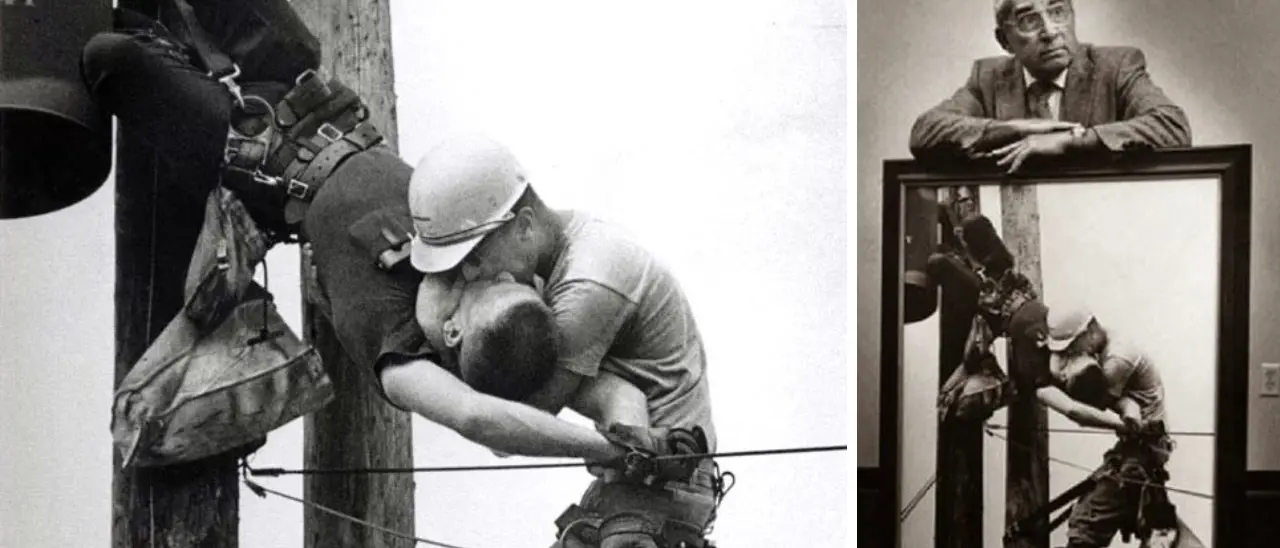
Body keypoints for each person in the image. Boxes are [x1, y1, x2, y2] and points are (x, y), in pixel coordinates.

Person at [81, 1, 658, 466]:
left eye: (487, 287)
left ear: (454, 331)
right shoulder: (470, 269)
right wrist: (637, 441)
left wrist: (595, 450)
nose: (491, 270)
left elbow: (480, 420)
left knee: (109, 55)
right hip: (310, 91)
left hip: (255, 154)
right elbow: (611, 391)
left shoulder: (402, 352)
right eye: (513, 277)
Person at [402, 134, 724, 548]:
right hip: (634, 474)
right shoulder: (548, 261)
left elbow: (510, 428)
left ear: (523, 227)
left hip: (664, 482)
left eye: (474, 258)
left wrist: (438, 330)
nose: (468, 276)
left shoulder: (588, 285)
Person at [909, 0, 1191, 172]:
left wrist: (1072, 141)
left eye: (1057, 12)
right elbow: (925, 131)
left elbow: (1171, 126)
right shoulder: (988, 78)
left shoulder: (1115, 67)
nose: (1050, 31)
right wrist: (1018, 128)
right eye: (1029, 20)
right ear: (1004, 41)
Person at [1043, 305, 1179, 548]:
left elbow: (1081, 409)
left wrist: (1042, 384)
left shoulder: (1117, 359)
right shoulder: (1104, 344)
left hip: (1142, 451)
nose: (1072, 353)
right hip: (1139, 449)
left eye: (1074, 346)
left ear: (1091, 330)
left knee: (1085, 527)